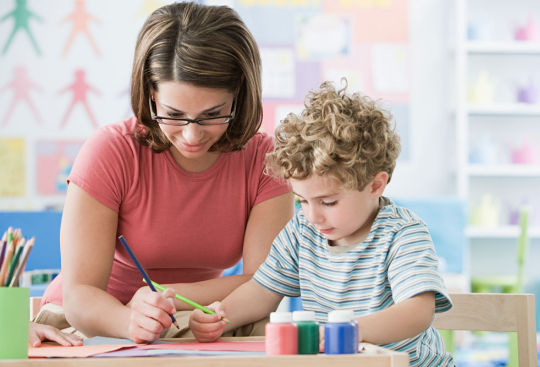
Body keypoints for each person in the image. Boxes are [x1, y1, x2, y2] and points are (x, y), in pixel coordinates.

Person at [36, 1, 294, 343]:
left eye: (212, 114)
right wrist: (130, 318)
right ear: (151, 95)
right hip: (99, 320)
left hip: (197, 316)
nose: (191, 135)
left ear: (239, 94)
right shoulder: (110, 152)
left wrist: (165, 293)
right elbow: (80, 297)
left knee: (271, 333)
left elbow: (265, 283)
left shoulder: (266, 159)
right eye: (173, 114)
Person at [188, 80, 455, 366]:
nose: (312, 216)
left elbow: (417, 312)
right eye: (301, 201)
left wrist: (346, 332)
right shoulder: (302, 232)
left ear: (375, 185)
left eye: (328, 202)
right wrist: (220, 314)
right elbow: (262, 292)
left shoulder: (401, 234)